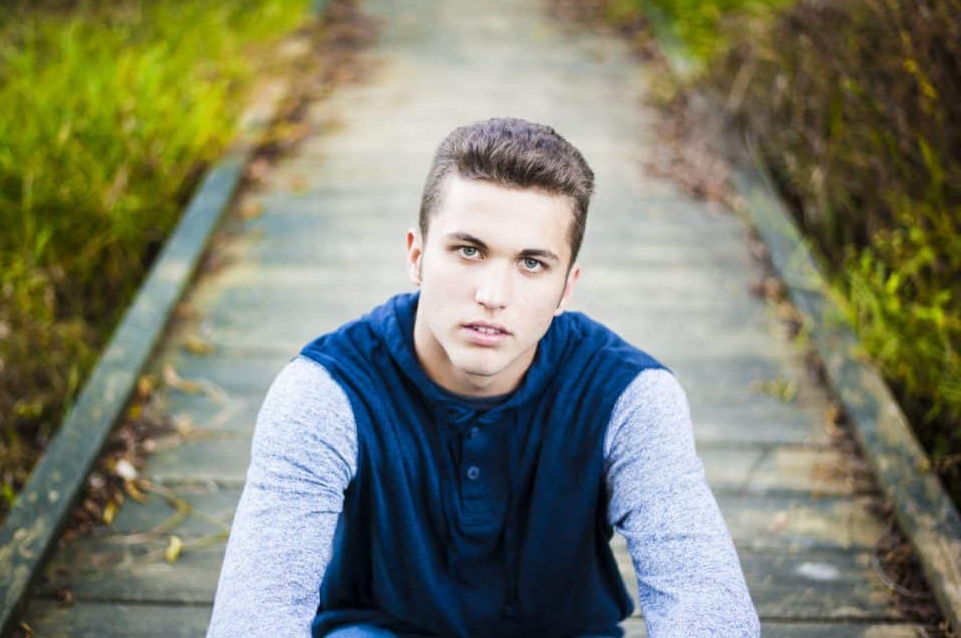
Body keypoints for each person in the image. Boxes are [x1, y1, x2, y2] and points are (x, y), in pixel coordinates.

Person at [206, 118, 761, 637]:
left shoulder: (629, 396)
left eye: (532, 263)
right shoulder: (324, 393)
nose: (493, 296)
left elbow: (704, 598)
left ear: (567, 286)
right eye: (468, 251)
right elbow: (256, 614)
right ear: (417, 255)